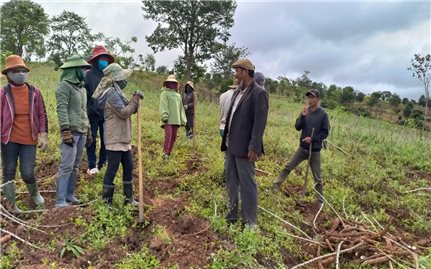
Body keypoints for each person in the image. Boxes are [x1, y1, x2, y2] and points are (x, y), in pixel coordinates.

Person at [221, 59, 269, 228]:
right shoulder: (237, 91)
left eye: (237, 71)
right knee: (231, 181)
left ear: (245, 71)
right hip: (231, 145)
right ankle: (231, 216)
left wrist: (254, 147)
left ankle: (250, 222)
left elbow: (259, 123)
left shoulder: (258, 93)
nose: (235, 74)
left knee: (247, 184)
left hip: (245, 148)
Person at [92, 63, 143, 206]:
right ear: (115, 79)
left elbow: (131, 108)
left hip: (123, 137)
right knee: (112, 169)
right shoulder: (111, 94)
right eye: (122, 78)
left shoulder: (118, 92)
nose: (124, 80)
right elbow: (124, 112)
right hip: (114, 138)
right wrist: (135, 100)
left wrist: (135, 100)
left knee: (128, 167)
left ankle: (129, 199)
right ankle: (106, 202)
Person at [1, 55, 48, 212]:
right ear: (8, 74)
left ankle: (35, 194)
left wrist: (44, 135)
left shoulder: (34, 92)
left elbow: (42, 114)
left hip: (29, 139)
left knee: (27, 171)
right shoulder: (3, 93)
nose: (20, 73)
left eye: (23, 70)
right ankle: (11, 204)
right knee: (9, 170)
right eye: (16, 71)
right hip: (9, 139)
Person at [272, 89, 330, 205]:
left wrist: (312, 139)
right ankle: (275, 185)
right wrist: (302, 117)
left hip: (314, 151)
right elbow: (297, 127)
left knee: (317, 177)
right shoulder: (305, 112)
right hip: (302, 148)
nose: (310, 100)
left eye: (312, 97)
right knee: (288, 166)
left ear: (318, 99)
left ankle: (320, 201)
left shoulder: (323, 115)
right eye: (308, 97)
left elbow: (325, 132)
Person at [55, 54, 92, 208]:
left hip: (81, 131)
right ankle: (60, 200)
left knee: (75, 166)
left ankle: (70, 195)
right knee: (66, 166)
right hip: (71, 132)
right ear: (74, 69)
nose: (85, 71)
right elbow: (61, 108)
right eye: (83, 68)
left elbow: (84, 110)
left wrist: (88, 130)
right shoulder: (64, 86)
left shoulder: (81, 88)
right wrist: (65, 130)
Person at [84, 45, 115, 176]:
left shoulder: (108, 75)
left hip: (106, 113)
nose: (105, 61)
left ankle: (102, 162)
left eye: (106, 59)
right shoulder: (88, 75)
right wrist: (89, 109)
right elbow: (85, 94)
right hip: (92, 113)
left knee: (106, 139)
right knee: (91, 139)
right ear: (96, 60)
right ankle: (92, 165)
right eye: (102, 59)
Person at [160, 74, 186, 160]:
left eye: (173, 83)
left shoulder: (178, 95)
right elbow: (163, 105)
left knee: (173, 137)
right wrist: (164, 115)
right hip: (168, 119)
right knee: (168, 136)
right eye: (170, 82)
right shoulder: (164, 93)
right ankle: (165, 154)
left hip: (176, 119)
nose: (172, 84)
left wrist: (183, 120)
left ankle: (169, 153)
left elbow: (181, 108)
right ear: (167, 83)